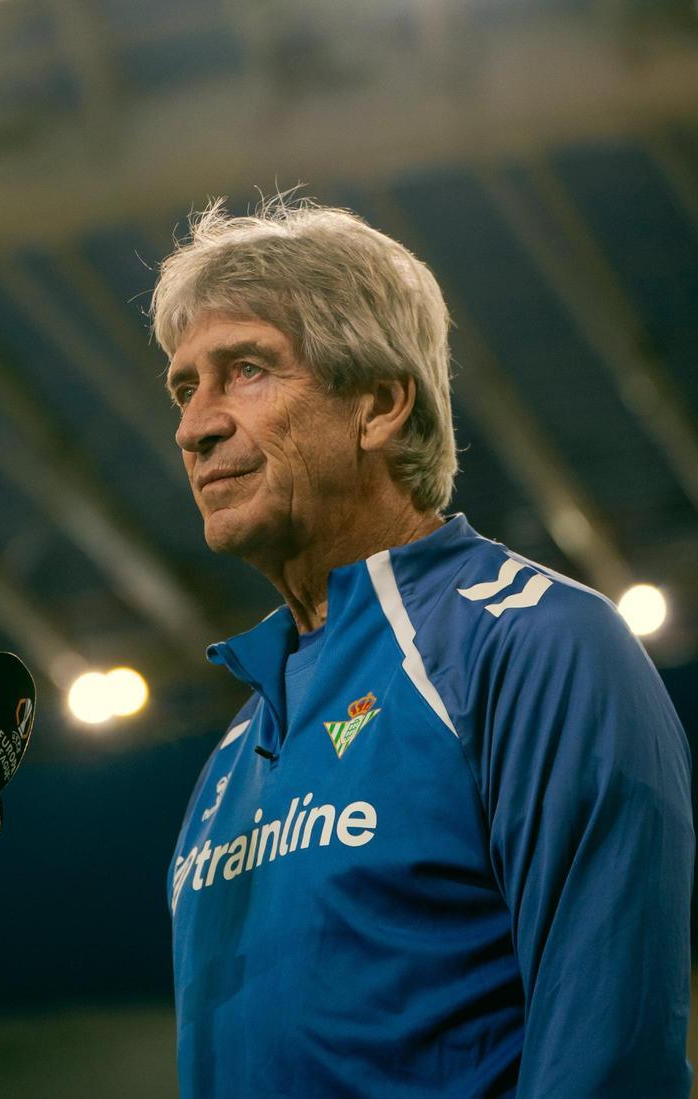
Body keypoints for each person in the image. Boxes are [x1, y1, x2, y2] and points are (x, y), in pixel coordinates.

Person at [153, 196, 693, 1098]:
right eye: (184, 387)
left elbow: (610, 1056)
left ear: (379, 403)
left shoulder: (534, 642)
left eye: (244, 371)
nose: (194, 426)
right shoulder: (228, 756)